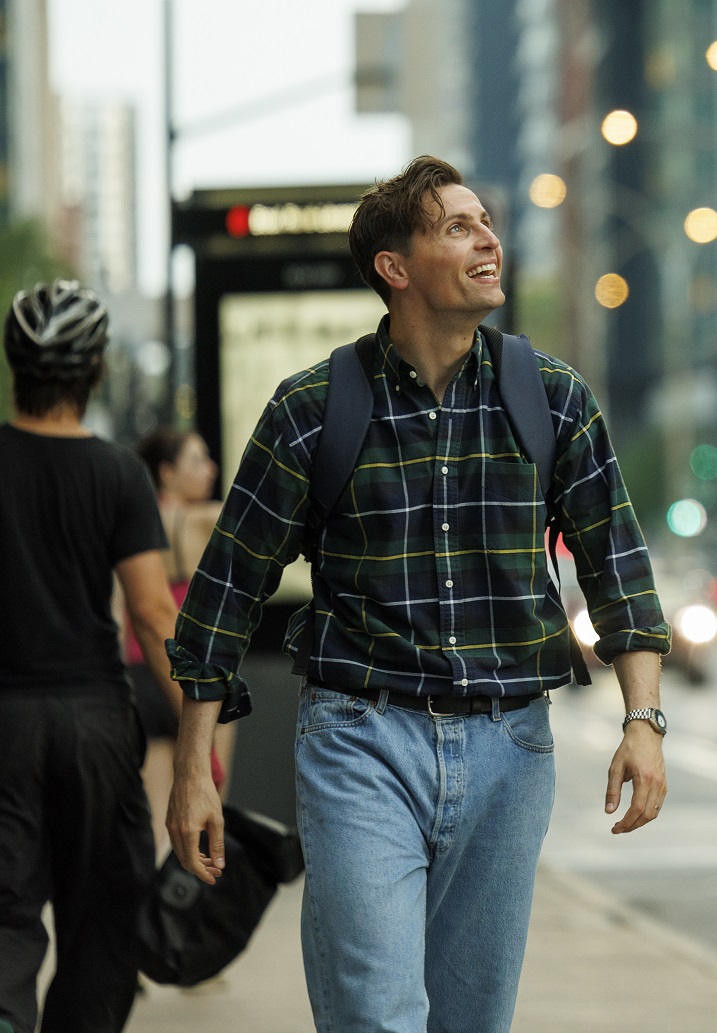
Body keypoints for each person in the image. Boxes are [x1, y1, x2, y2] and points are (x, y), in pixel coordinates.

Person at [163, 155, 672, 1032]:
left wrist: (644, 720)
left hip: (511, 748)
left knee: (473, 1018)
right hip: (360, 739)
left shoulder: (552, 398)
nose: (488, 240)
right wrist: (192, 772)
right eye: (458, 227)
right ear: (394, 269)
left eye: (487, 223)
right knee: (375, 1013)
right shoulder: (312, 407)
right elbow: (223, 593)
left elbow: (618, 566)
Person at [0, 281, 184, 1032]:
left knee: (4, 915)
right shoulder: (118, 474)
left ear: (15, 362)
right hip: (95, 726)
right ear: (97, 370)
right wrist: (197, 732)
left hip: (3, 722)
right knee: (105, 915)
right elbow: (150, 610)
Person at [126, 429, 232, 857]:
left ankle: (151, 914)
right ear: (166, 472)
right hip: (197, 675)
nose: (210, 469)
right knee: (209, 806)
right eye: (196, 460)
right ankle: (189, 916)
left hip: (141, 670)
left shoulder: (133, 524)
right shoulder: (201, 521)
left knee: (156, 814)